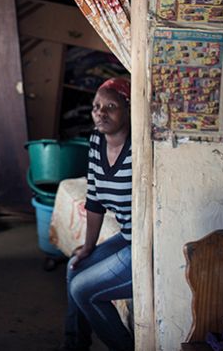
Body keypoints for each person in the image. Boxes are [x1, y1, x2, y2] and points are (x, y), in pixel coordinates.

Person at [62, 77, 134, 351]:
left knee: (83, 290)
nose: (100, 113)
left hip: (144, 245)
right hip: (127, 237)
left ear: (128, 109)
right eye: (96, 106)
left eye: (110, 106)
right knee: (75, 265)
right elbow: (94, 200)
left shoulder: (139, 146)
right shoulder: (96, 140)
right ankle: (75, 345)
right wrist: (88, 248)